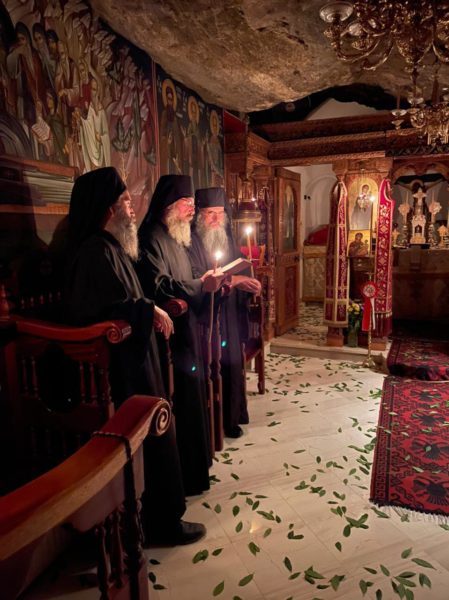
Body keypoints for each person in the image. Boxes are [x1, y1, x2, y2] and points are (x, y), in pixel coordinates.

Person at [64, 167, 205, 546]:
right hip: (121, 370)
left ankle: (163, 518)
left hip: (135, 358)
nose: (132, 207)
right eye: (125, 201)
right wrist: (150, 309)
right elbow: (100, 308)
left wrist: (145, 308)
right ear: (107, 208)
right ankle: (160, 523)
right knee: (152, 434)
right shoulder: (95, 252)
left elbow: (123, 297)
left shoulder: (109, 247)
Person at [136, 174, 224, 495]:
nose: (191, 210)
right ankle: (185, 477)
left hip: (188, 335)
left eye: (191, 204)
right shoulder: (150, 238)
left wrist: (207, 279)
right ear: (169, 205)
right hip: (168, 340)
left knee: (193, 401)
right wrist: (201, 285)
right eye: (187, 203)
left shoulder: (178, 236)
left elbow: (190, 274)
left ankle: (197, 470)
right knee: (182, 404)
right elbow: (159, 286)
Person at [189, 187, 261, 438]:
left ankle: (232, 417)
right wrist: (235, 280)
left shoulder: (226, 237)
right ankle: (212, 422)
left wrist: (249, 281)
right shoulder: (192, 241)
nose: (216, 219)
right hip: (206, 317)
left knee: (232, 363)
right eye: (210, 213)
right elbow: (197, 277)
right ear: (200, 215)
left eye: (220, 213)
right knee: (213, 367)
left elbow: (237, 264)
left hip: (229, 313)